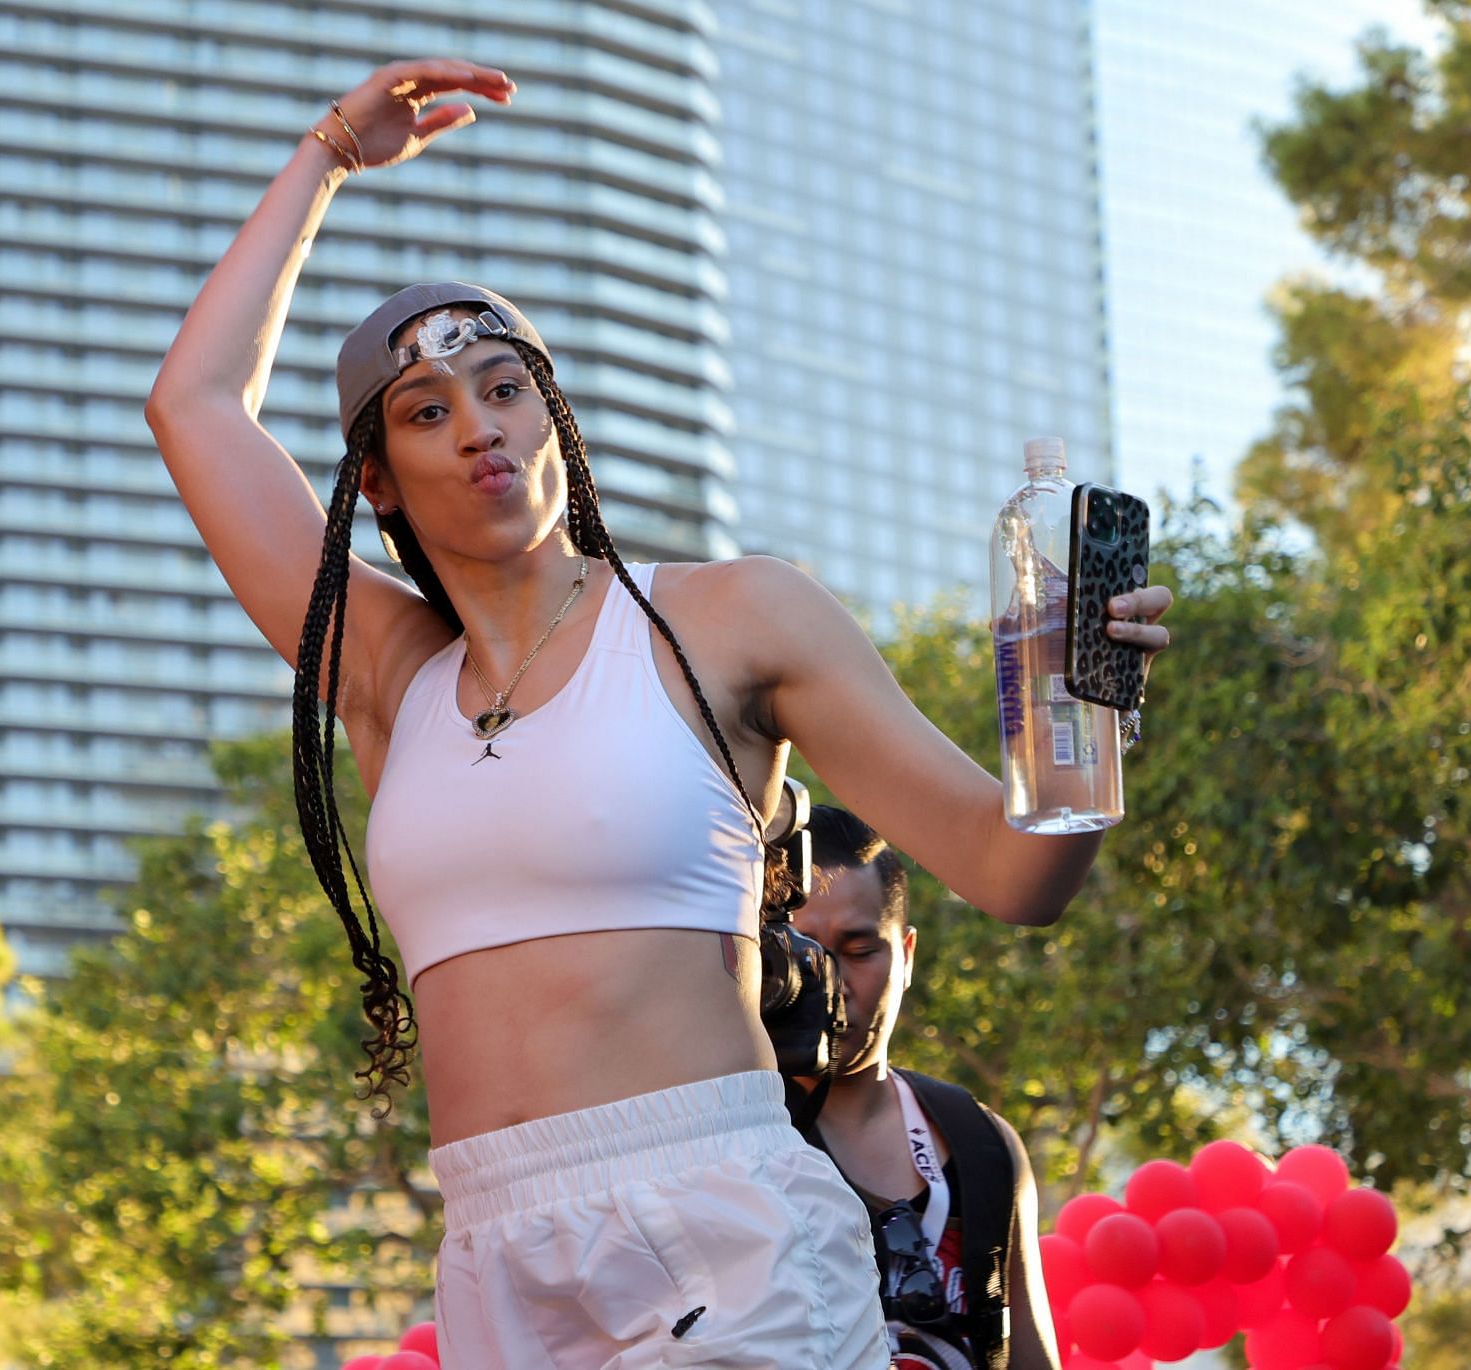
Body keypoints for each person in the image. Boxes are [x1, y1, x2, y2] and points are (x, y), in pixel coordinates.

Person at [144, 57, 1172, 1368]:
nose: (481, 426)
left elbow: (1014, 870)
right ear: (379, 481)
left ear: (556, 419)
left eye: (508, 387)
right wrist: (329, 153)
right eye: (427, 408)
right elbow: (193, 406)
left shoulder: (729, 619)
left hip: (718, 1222)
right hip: (495, 1247)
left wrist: (1082, 721)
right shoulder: (388, 674)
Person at [784, 806, 1058, 1370]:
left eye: (859, 952)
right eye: (804, 954)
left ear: (905, 956)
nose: (833, 984)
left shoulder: (982, 1143)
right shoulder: (724, 1132)